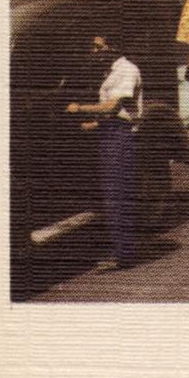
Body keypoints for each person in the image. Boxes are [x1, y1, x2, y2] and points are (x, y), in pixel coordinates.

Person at [65, 30, 143, 269]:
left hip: (120, 137)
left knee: (118, 196)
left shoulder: (127, 70)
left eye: (99, 47)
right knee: (111, 196)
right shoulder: (112, 71)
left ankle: (125, 255)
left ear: (113, 47)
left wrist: (80, 109)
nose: (94, 52)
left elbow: (113, 106)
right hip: (110, 132)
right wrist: (95, 124)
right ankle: (121, 251)